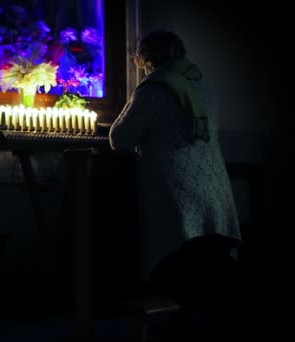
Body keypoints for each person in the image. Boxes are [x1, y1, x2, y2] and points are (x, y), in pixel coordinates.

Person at [109, 29, 242, 292]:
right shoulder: (203, 86)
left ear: (145, 58)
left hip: (177, 194)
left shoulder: (154, 90)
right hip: (215, 191)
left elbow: (118, 138)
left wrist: (139, 91)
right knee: (209, 267)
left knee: (175, 267)